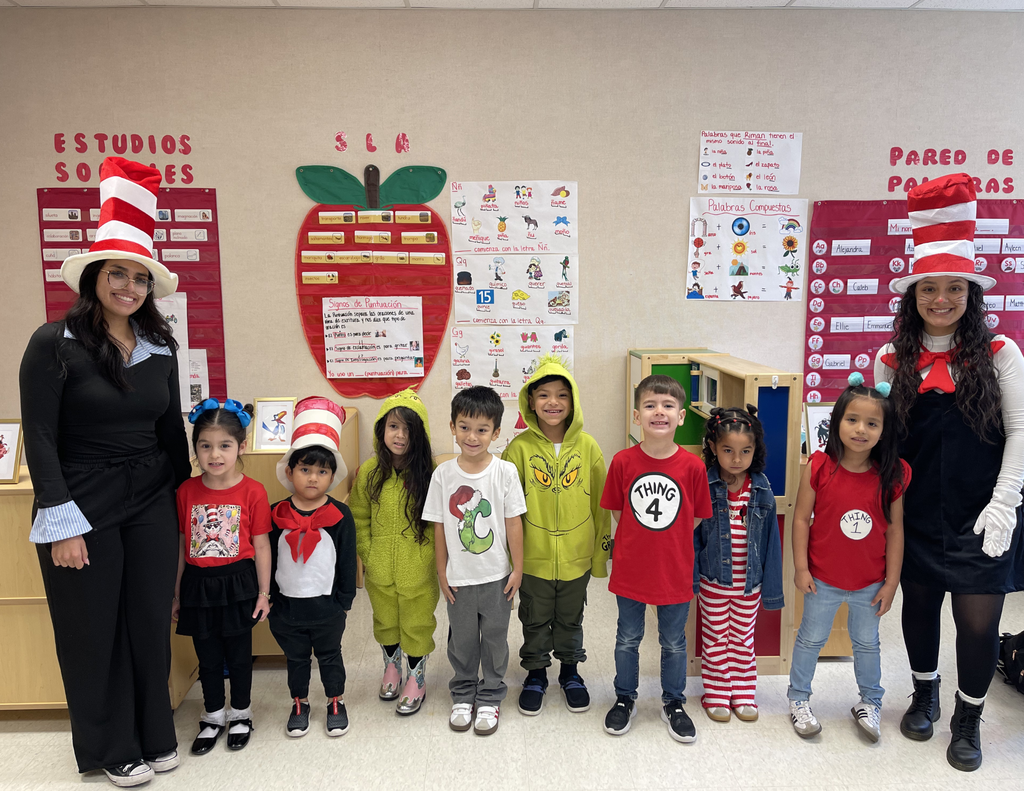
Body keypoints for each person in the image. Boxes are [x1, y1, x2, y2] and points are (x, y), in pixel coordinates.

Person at [20, 157, 191, 787]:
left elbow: (170, 432)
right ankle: (111, 746)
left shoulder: (160, 348)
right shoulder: (52, 344)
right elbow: (39, 435)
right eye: (115, 274)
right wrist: (58, 521)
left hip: (149, 497)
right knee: (94, 629)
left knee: (148, 619)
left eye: (138, 277)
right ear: (94, 277)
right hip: (80, 501)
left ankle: (153, 733)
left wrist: (187, 502)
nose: (127, 287)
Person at [874, 173, 1024, 771]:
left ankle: (968, 716)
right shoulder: (892, 357)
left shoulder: (1001, 353)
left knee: (977, 618)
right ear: (913, 295)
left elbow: (1021, 430)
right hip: (915, 513)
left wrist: (1005, 502)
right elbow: (877, 436)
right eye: (929, 288)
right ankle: (925, 692)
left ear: (971, 293)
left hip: (981, 511)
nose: (941, 299)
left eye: (954, 288)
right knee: (918, 608)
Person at [787, 374, 909, 743]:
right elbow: (800, 519)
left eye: (872, 423)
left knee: (867, 644)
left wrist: (891, 582)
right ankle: (798, 699)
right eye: (852, 420)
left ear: (884, 431)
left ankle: (870, 702)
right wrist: (801, 567)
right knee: (810, 640)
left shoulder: (893, 473)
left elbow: (895, 531)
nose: (860, 430)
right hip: (821, 579)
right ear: (837, 420)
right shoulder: (820, 466)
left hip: (870, 583)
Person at [600, 374, 713, 743]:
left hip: (675, 570)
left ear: (681, 416)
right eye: (650, 405)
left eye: (667, 406)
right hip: (632, 567)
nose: (659, 412)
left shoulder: (694, 467)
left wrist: (669, 541)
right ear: (637, 415)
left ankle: (674, 702)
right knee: (627, 638)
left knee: (673, 641)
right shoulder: (623, 461)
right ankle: (624, 698)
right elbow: (619, 512)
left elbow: (694, 518)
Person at [500, 355, 610, 715]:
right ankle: (535, 673)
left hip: (577, 556)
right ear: (530, 402)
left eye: (562, 395)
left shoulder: (589, 448)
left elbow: (601, 507)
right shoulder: (517, 450)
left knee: (570, 617)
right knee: (534, 617)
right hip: (532, 558)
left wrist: (598, 557)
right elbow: (508, 511)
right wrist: (511, 561)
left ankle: (570, 671)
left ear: (573, 401)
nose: (553, 402)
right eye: (544, 395)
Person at [423, 386, 526, 735]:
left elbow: (514, 522)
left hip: (497, 575)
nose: (472, 436)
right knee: (462, 639)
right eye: (464, 426)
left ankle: (492, 695)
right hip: (459, 578)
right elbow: (438, 526)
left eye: (482, 429)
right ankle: (464, 693)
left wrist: (518, 569)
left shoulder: (505, 472)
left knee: (496, 637)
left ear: (496, 433)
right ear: (452, 426)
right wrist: (441, 570)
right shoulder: (443, 474)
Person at [172, 400, 271, 756]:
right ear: (195, 447)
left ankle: (241, 713)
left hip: (238, 583)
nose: (214, 455)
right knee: (208, 654)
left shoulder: (253, 491)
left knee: (239, 653)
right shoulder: (186, 491)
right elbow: (184, 544)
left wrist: (263, 593)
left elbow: (261, 546)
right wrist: (177, 592)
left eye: (224, 446)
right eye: (205, 446)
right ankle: (213, 714)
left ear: (241, 447)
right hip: (198, 585)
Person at [268, 397, 357, 737]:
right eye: (305, 469)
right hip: (287, 608)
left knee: (330, 655)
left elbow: (348, 558)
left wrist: (344, 600)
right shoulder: (276, 512)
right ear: (290, 472)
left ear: (332, 476)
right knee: (296, 658)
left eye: (322, 471)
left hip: (328, 608)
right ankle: (300, 701)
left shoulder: (339, 515)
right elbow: (269, 558)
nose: (312, 478)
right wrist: (271, 599)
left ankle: (335, 699)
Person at [350, 389, 437, 716]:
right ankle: (392, 667)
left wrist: (426, 558)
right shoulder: (370, 472)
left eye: (409, 429)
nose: (400, 436)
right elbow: (358, 516)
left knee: (417, 624)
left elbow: (436, 523)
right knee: (385, 621)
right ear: (381, 429)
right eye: (393, 427)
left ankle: (417, 677)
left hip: (419, 570)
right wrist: (368, 553)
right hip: (379, 568)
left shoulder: (430, 473)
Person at [695, 405, 784, 723]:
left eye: (745, 451)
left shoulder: (761, 489)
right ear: (713, 449)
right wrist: (692, 580)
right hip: (714, 581)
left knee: (743, 638)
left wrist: (772, 588)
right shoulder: (705, 485)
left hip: (750, 584)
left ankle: (744, 693)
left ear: (755, 450)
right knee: (716, 637)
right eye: (728, 450)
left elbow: (772, 542)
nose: (736, 459)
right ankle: (717, 692)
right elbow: (695, 537)